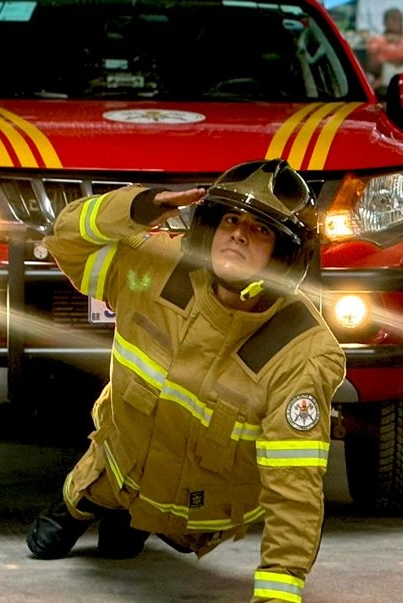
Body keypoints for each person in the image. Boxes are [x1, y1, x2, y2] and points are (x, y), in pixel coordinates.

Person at [25, 159, 347, 603]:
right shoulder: (154, 266)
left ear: (285, 256)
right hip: (121, 467)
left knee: (128, 540)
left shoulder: (300, 352)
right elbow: (65, 237)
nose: (238, 234)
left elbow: (295, 485)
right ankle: (76, 507)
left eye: (260, 230)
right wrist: (137, 207)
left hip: (199, 515)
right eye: (231, 219)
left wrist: (280, 591)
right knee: (90, 492)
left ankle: (134, 524)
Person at [365, 8, 403, 91]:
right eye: (394, 19)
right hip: (382, 82)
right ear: (384, 22)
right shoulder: (376, 42)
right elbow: (371, 69)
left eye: (400, 19)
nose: (398, 22)